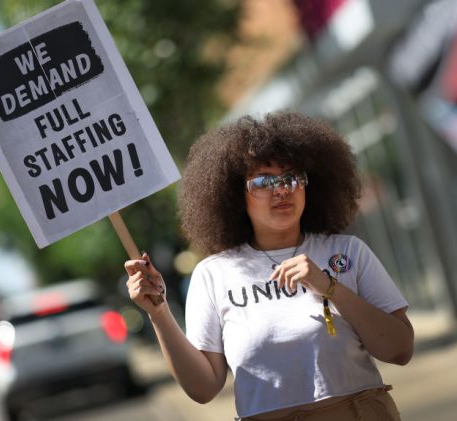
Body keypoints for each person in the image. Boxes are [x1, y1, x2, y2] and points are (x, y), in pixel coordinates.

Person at [125, 111, 414, 420]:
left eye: (291, 177)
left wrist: (329, 287)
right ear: (236, 195)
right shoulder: (213, 275)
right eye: (264, 181)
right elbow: (203, 388)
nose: (282, 189)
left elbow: (399, 350)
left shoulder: (347, 252)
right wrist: (158, 314)